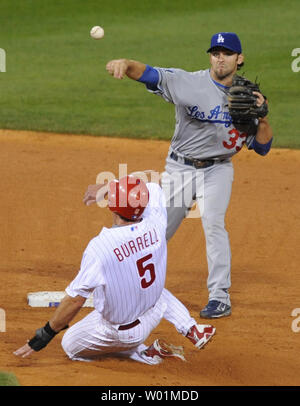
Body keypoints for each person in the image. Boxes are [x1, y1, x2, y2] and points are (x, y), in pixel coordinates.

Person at [85, 32, 273, 319]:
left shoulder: (247, 97)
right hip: (180, 168)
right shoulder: (189, 82)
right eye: (215, 53)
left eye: (226, 53)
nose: (220, 58)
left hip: (218, 170)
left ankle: (219, 296)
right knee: (156, 230)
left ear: (240, 58)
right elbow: (150, 74)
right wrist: (125, 63)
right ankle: (112, 280)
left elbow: (262, 147)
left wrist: (263, 117)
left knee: (214, 224)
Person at [14, 174, 215, 365]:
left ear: (112, 207)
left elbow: (75, 300)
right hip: (153, 311)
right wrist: (109, 189)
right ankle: (191, 328)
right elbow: (148, 187)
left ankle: (144, 352)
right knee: (152, 285)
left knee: (69, 344)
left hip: (122, 333)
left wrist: (45, 334)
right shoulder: (156, 218)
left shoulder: (101, 247)